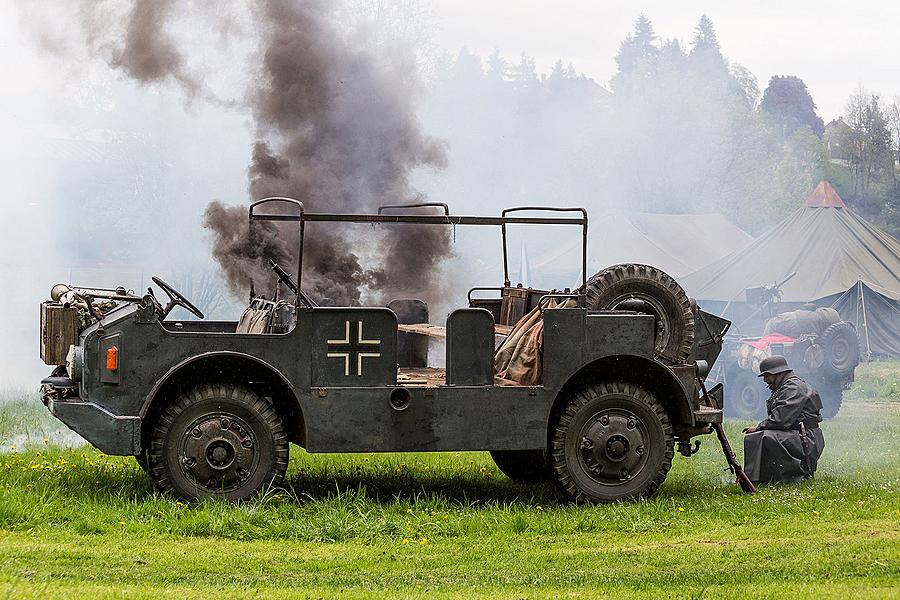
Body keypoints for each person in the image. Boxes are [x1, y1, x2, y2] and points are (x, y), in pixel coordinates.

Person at [742, 355, 825, 483]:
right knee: (759, 435)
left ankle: (753, 480)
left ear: (778, 373)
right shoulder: (788, 386)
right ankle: (762, 478)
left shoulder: (793, 388)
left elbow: (781, 420)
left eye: (767, 375)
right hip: (801, 436)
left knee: (759, 436)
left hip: (806, 439)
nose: (765, 380)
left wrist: (758, 427)